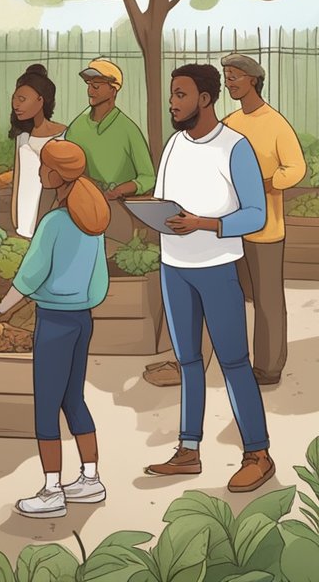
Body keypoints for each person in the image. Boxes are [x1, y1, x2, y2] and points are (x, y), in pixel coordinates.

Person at [143, 64, 273, 493]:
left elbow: (256, 214)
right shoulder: (174, 145)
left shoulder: (234, 147)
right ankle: (189, 449)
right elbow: (164, 201)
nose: (172, 103)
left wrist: (205, 223)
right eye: (171, 95)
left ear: (204, 98)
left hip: (217, 268)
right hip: (174, 268)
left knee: (234, 360)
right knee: (188, 362)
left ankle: (258, 453)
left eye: (180, 95)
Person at [0, 139, 110, 518]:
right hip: (83, 318)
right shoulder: (92, 218)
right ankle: (90, 479)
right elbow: (98, 277)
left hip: (55, 320)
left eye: (44, 167)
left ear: (56, 175)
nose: (41, 173)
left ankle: (52, 489)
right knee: (73, 398)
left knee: (46, 405)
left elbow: (30, 274)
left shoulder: (55, 222)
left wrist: (2, 308)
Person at [221, 55, 305, 385]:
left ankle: (269, 368)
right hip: (230, 227)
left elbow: (296, 168)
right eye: (226, 77)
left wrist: (266, 184)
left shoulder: (275, 123)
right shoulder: (229, 122)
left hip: (265, 229)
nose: (229, 83)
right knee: (237, 295)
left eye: (234, 77)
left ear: (253, 80)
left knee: (267, 300)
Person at [62, 59, 156, 243]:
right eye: (89, 85)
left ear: (113, 90)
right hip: (82, 205)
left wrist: (121, 190)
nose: (90, 91)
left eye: (96, 86)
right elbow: (66, 166)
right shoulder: (77, 127)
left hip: (117, 208)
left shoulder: (128, 129)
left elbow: (148, 177)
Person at [0, 65, 67, 239]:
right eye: (14, 99)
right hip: (25, 219)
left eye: (22, 99)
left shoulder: (63, 134)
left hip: (52, 214)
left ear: (40, 100)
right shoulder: (23, 137)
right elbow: (19, 178)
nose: (16, 105)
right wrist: (16, 218)